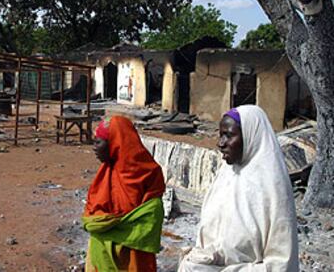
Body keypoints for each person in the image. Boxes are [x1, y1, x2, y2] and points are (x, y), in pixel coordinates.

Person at [178, 105, 299, 271]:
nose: (220, 144)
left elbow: (281, 264)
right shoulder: (225, 176)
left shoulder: (272, 189)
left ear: (250, 136)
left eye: (229, 135)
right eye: (220, 135)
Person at [82, 116, 165, 271]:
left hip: (134, 252)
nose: (94, 147)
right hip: (103, 251)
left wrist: (120, 226)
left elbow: (152, 214)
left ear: (115, 143)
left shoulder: (149, 174)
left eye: (98, 142)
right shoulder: (106, 173)